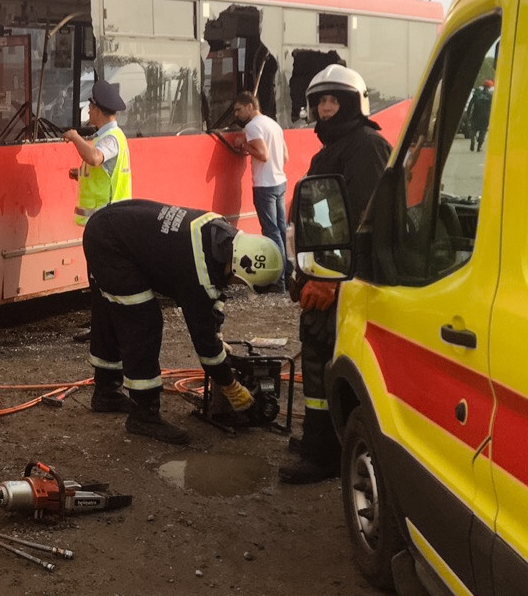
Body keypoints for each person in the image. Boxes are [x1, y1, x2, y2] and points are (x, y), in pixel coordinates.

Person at [82, 199, 284, 444]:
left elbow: (216, 291)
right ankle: (144, 414)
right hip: (109, 242)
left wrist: (217, 333)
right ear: (242, 266)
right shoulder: (198, 269)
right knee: (142, 321)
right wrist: (230, 385)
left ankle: (106, 391)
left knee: (111, 308)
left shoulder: (221, 233)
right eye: (241, 282)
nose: (237, 286)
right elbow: (205, 346)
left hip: (112, 224)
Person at [279, 64, 392, 485]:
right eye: (320, 102)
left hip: (345, 278)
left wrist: (332, 278)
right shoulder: (334, 148)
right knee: (317, 361)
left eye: (334, 101)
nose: (326, 109)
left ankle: (324, 453)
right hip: (325, 270)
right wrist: (305, 271)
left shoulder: (365, 146)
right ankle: (319, 438)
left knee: (327, 363)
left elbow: (368, 219)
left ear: (353, 105)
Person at [233, 91, 289, 291]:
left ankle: (278, 281)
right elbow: (285, 156)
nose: (237, 114)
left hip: (264, 185)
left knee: (271, 231)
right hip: (280, 181)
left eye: (239, 110)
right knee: (281, 230)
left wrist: (244, 144)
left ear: (250, 106)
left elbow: (263, 155)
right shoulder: (273, 123)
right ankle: (288, 276)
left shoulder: (253, 126)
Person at [63, 80, 132, 226]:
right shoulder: (103, 137)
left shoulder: (112, 137)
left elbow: (95, 158)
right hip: (104, 218)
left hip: (108, 217)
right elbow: (103, 170)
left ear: (98, 111)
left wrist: (75, 137)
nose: (88, 111)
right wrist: (81, 173)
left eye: (90, 107)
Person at [466, 79, 494, 151]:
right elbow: (493, 107)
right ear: (490, 87)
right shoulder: (490, 96)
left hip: (476, 114)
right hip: (485, 117)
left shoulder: (476, 94)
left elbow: (470, 104)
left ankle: (472, 140)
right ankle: (479, 146)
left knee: (473, 129)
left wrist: (468, 113)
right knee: (483, 131)